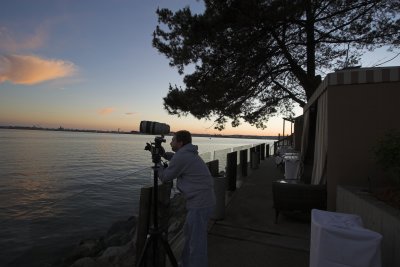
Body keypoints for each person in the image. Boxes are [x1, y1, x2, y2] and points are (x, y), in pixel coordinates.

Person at [157, 130, 216, 267]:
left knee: (196, 243)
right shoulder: (187, 153)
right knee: (190, 237)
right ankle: (185, 263)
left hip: (200, 204)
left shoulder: (182, 156)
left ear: (180, 143)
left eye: (173, 140)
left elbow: (165, 177)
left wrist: (157, 164)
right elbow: (176, 158)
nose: (170, 142)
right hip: (203, 201)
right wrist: (164, 155)